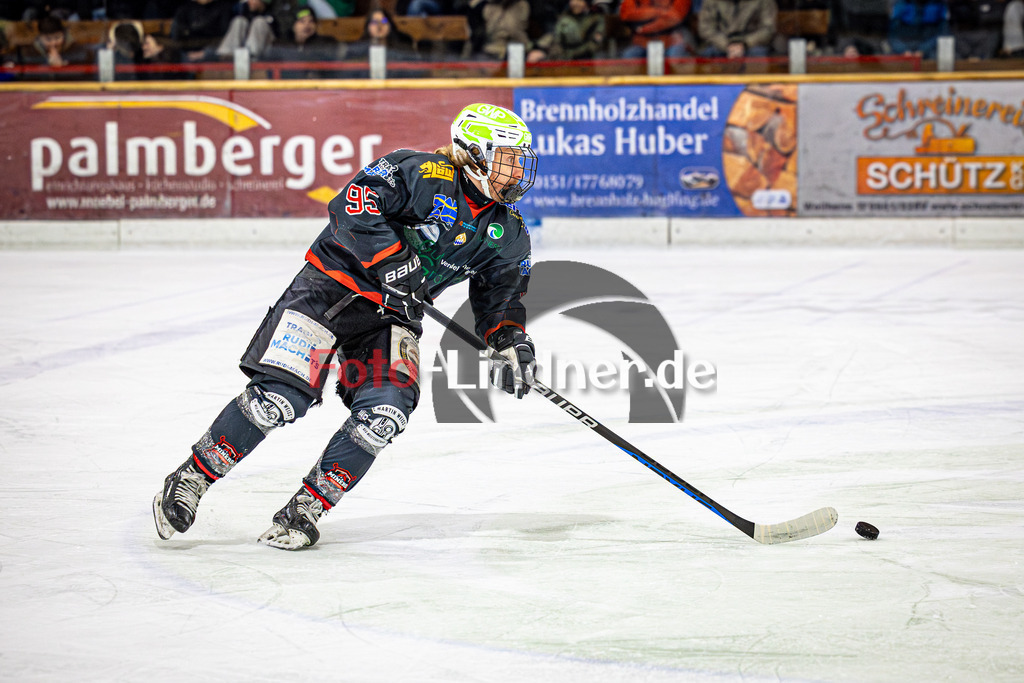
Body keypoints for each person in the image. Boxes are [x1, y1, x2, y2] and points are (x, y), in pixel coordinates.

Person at [152, 103, 539, 551]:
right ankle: (191, 479)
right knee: (277, 398)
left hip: (392, 317)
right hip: (330, 291)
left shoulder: (508, 231)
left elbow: (502, 299)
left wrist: (510, 341)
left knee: (385, 413)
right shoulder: (421, 171)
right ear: (472, 154)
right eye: (507, 160)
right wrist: (394, 261)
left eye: (520, 162)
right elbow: (353, 204)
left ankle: (307, 508)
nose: (516, 173)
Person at [527, 0, 606, 61]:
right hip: (562, 58)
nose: (575, 3)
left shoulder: (595, 19)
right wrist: (539, 49)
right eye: (573, 0)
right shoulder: (565, 17)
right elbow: (555, 36)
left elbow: (593, 46)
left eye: (579, 0)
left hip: (585, 60)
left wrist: (569, 54)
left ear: (586, 4)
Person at [697, 0, 778, 58]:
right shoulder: (710, 1)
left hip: (752, 44)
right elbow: (706, 29)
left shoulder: (765, 1)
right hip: (720, 43)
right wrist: (726, 44)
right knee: (707, 53)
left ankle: (756, 82)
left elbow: (768, 29)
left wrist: (745, 43)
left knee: (759, 53)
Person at [618, 0, 693, 58]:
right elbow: (627, 15)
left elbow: (675, 16)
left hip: (671, 41)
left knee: (676, 56)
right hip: (642, 43)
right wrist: (659, 12)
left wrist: (644, 29)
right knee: (629, 56)